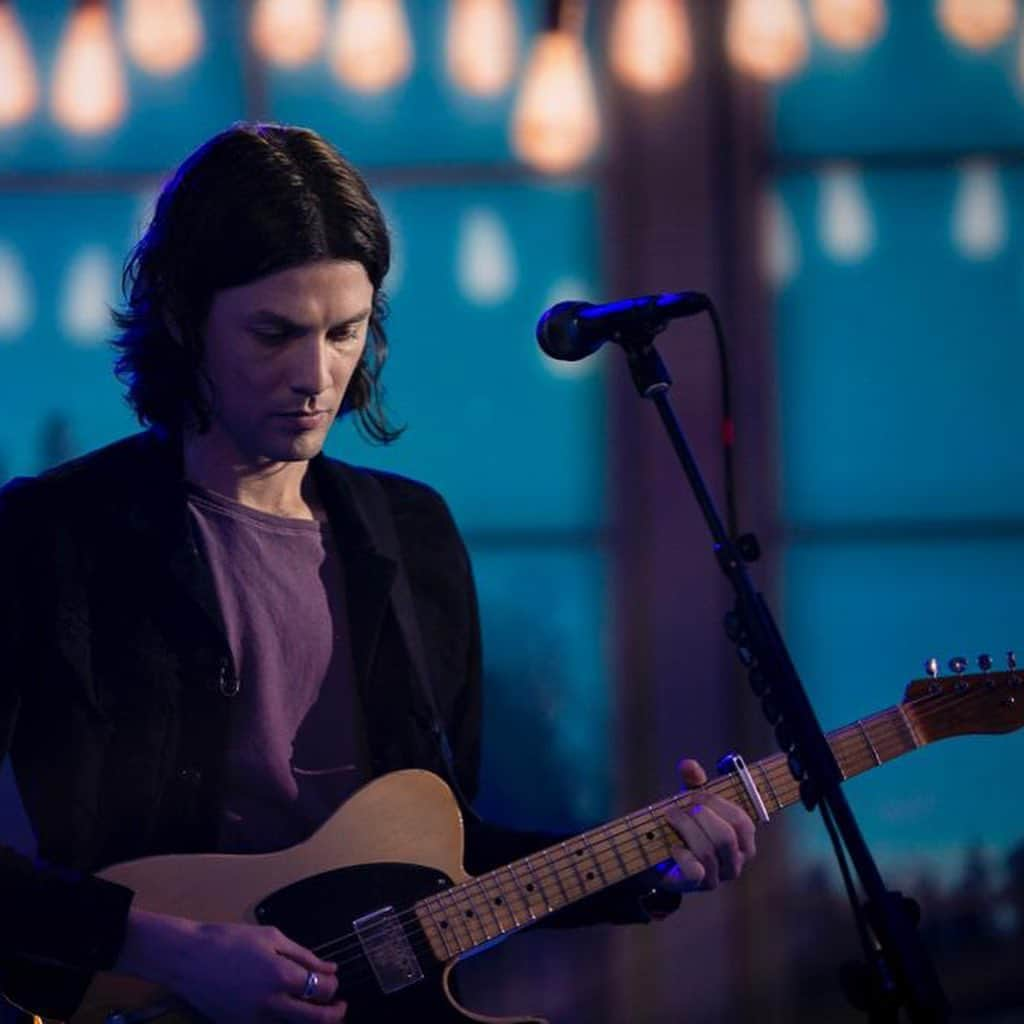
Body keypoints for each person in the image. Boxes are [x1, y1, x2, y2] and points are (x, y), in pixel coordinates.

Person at [0, 123, 756, 1023]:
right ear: (181, 317)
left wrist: (646, 864)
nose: (316, 377)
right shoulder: (56, 535)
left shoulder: (411, 535)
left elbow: (447, 855)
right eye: (274, 333)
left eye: (345, 331)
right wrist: (173, 949)